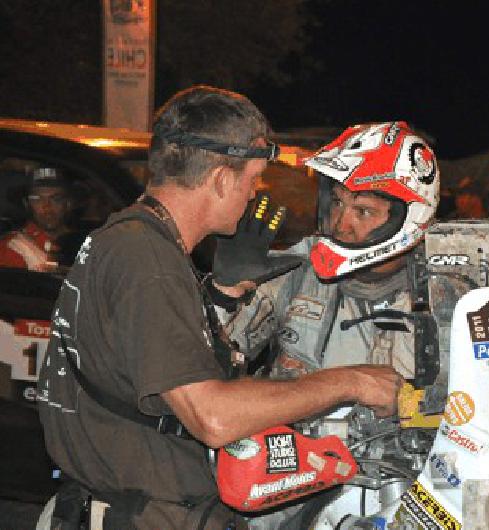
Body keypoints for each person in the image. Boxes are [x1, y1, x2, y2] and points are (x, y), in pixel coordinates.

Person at [36, 86, 402, 530]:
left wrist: (224, 296)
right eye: (253, 181)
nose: (253, 196)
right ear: (222, 179)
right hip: (142, 514)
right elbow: (213, 416)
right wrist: (351, 381)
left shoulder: (127, 242)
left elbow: (148, 374)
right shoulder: (148, 262)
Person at [219, 121, 440, 528]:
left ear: (408, 217)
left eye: (363, 211)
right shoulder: (298, 268)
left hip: (410, 496)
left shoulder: (449, 291)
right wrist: (225, 293)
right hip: (286, 494)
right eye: (336, 202)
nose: (340, 223)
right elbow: (210, 364)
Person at [0, 166, 75, 271]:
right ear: (26, 204)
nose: (47, 206)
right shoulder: (14, 246)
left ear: (68, 204)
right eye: (37, 199)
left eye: (56, 198)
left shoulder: (87, 242)